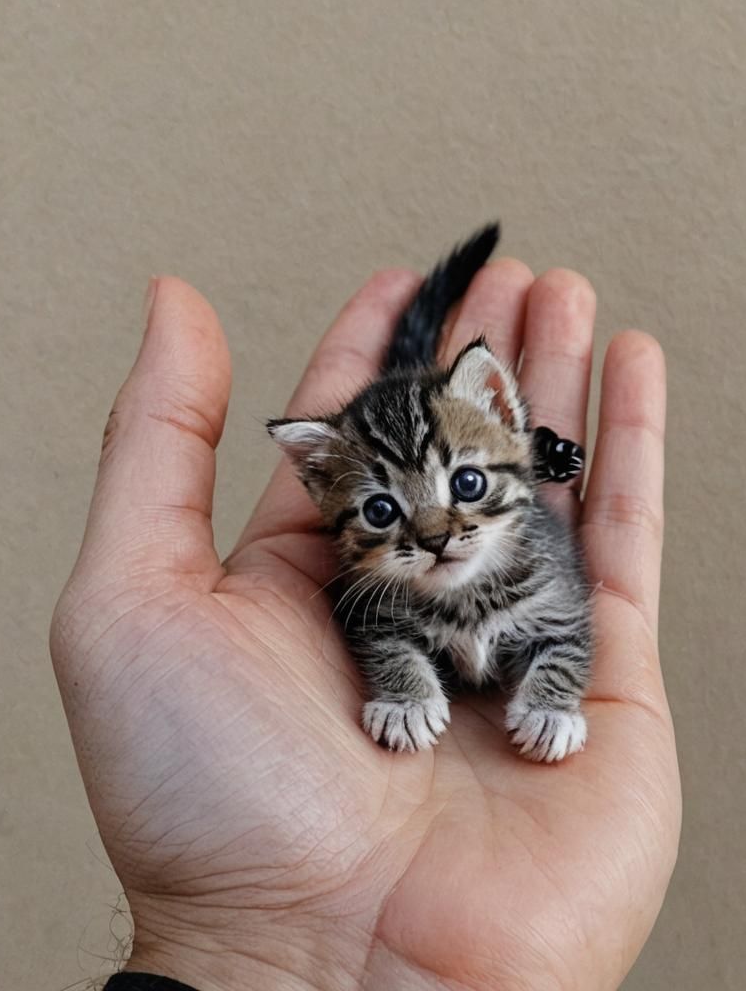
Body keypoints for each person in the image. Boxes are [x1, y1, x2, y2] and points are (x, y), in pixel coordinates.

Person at [50, 261, 681, 991]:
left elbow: (564, 634)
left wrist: (551, 697)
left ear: (506, 416)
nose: (438, 530)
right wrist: (406, 686)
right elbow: (385, 637)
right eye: (383, 511)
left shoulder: (536, 562)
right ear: (320, 484)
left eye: (465, 485)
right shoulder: (380, 591)